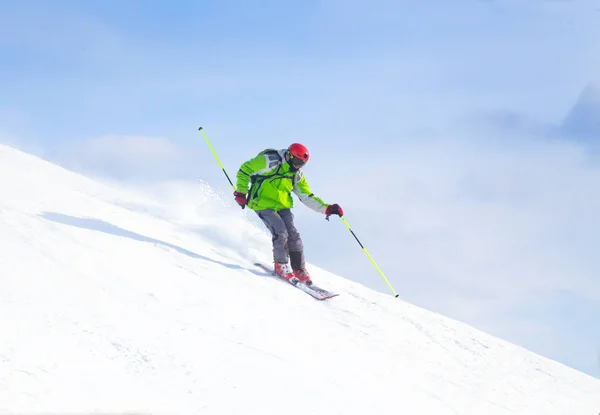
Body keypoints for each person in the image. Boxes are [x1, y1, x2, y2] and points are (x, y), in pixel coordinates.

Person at [233, 143, 343, 285]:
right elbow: (244, 170)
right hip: (262, 203)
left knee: (293, 235)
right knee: (281, 231)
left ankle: (299, 269)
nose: (298, 166)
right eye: (297, 162)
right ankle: (281, 265)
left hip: (282, 205)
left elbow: (306, 196)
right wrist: (241, 192)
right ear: (289, 156)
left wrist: (327, 208)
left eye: (302, 164)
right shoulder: (269, 161)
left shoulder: (296, 175)